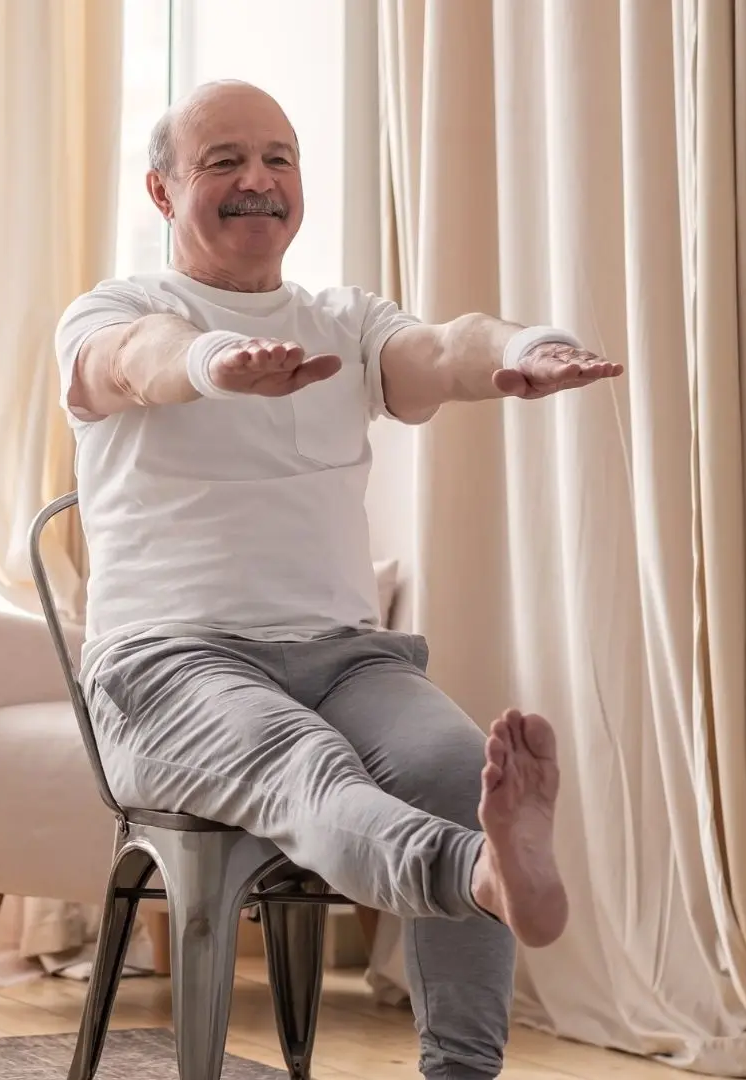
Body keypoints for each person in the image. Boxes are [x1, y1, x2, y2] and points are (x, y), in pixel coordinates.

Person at [53, 80, 624, 1079]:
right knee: (305, 766)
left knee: (460, 770)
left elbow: (444, 349)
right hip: (169, 667)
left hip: (347, 656)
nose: (257, 181)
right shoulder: (117, 309)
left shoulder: (342, 321)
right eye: (222, 161)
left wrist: (523, 351)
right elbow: (134, 363)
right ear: (160, 192)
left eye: (278, 157)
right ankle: (480, 873)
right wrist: (218, 360)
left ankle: (461, 1064)